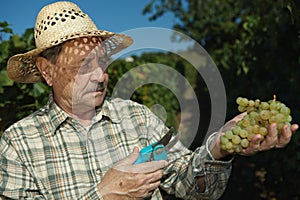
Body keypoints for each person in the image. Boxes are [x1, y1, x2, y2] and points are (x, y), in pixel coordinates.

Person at [0, 1, 298, 200]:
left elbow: (188, 184)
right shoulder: (18, 144)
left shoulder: (137, 118)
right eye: (83, 66)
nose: (101, 76)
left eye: (103, 62)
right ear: (47, 71)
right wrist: (103, 195)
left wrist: (218, 148)